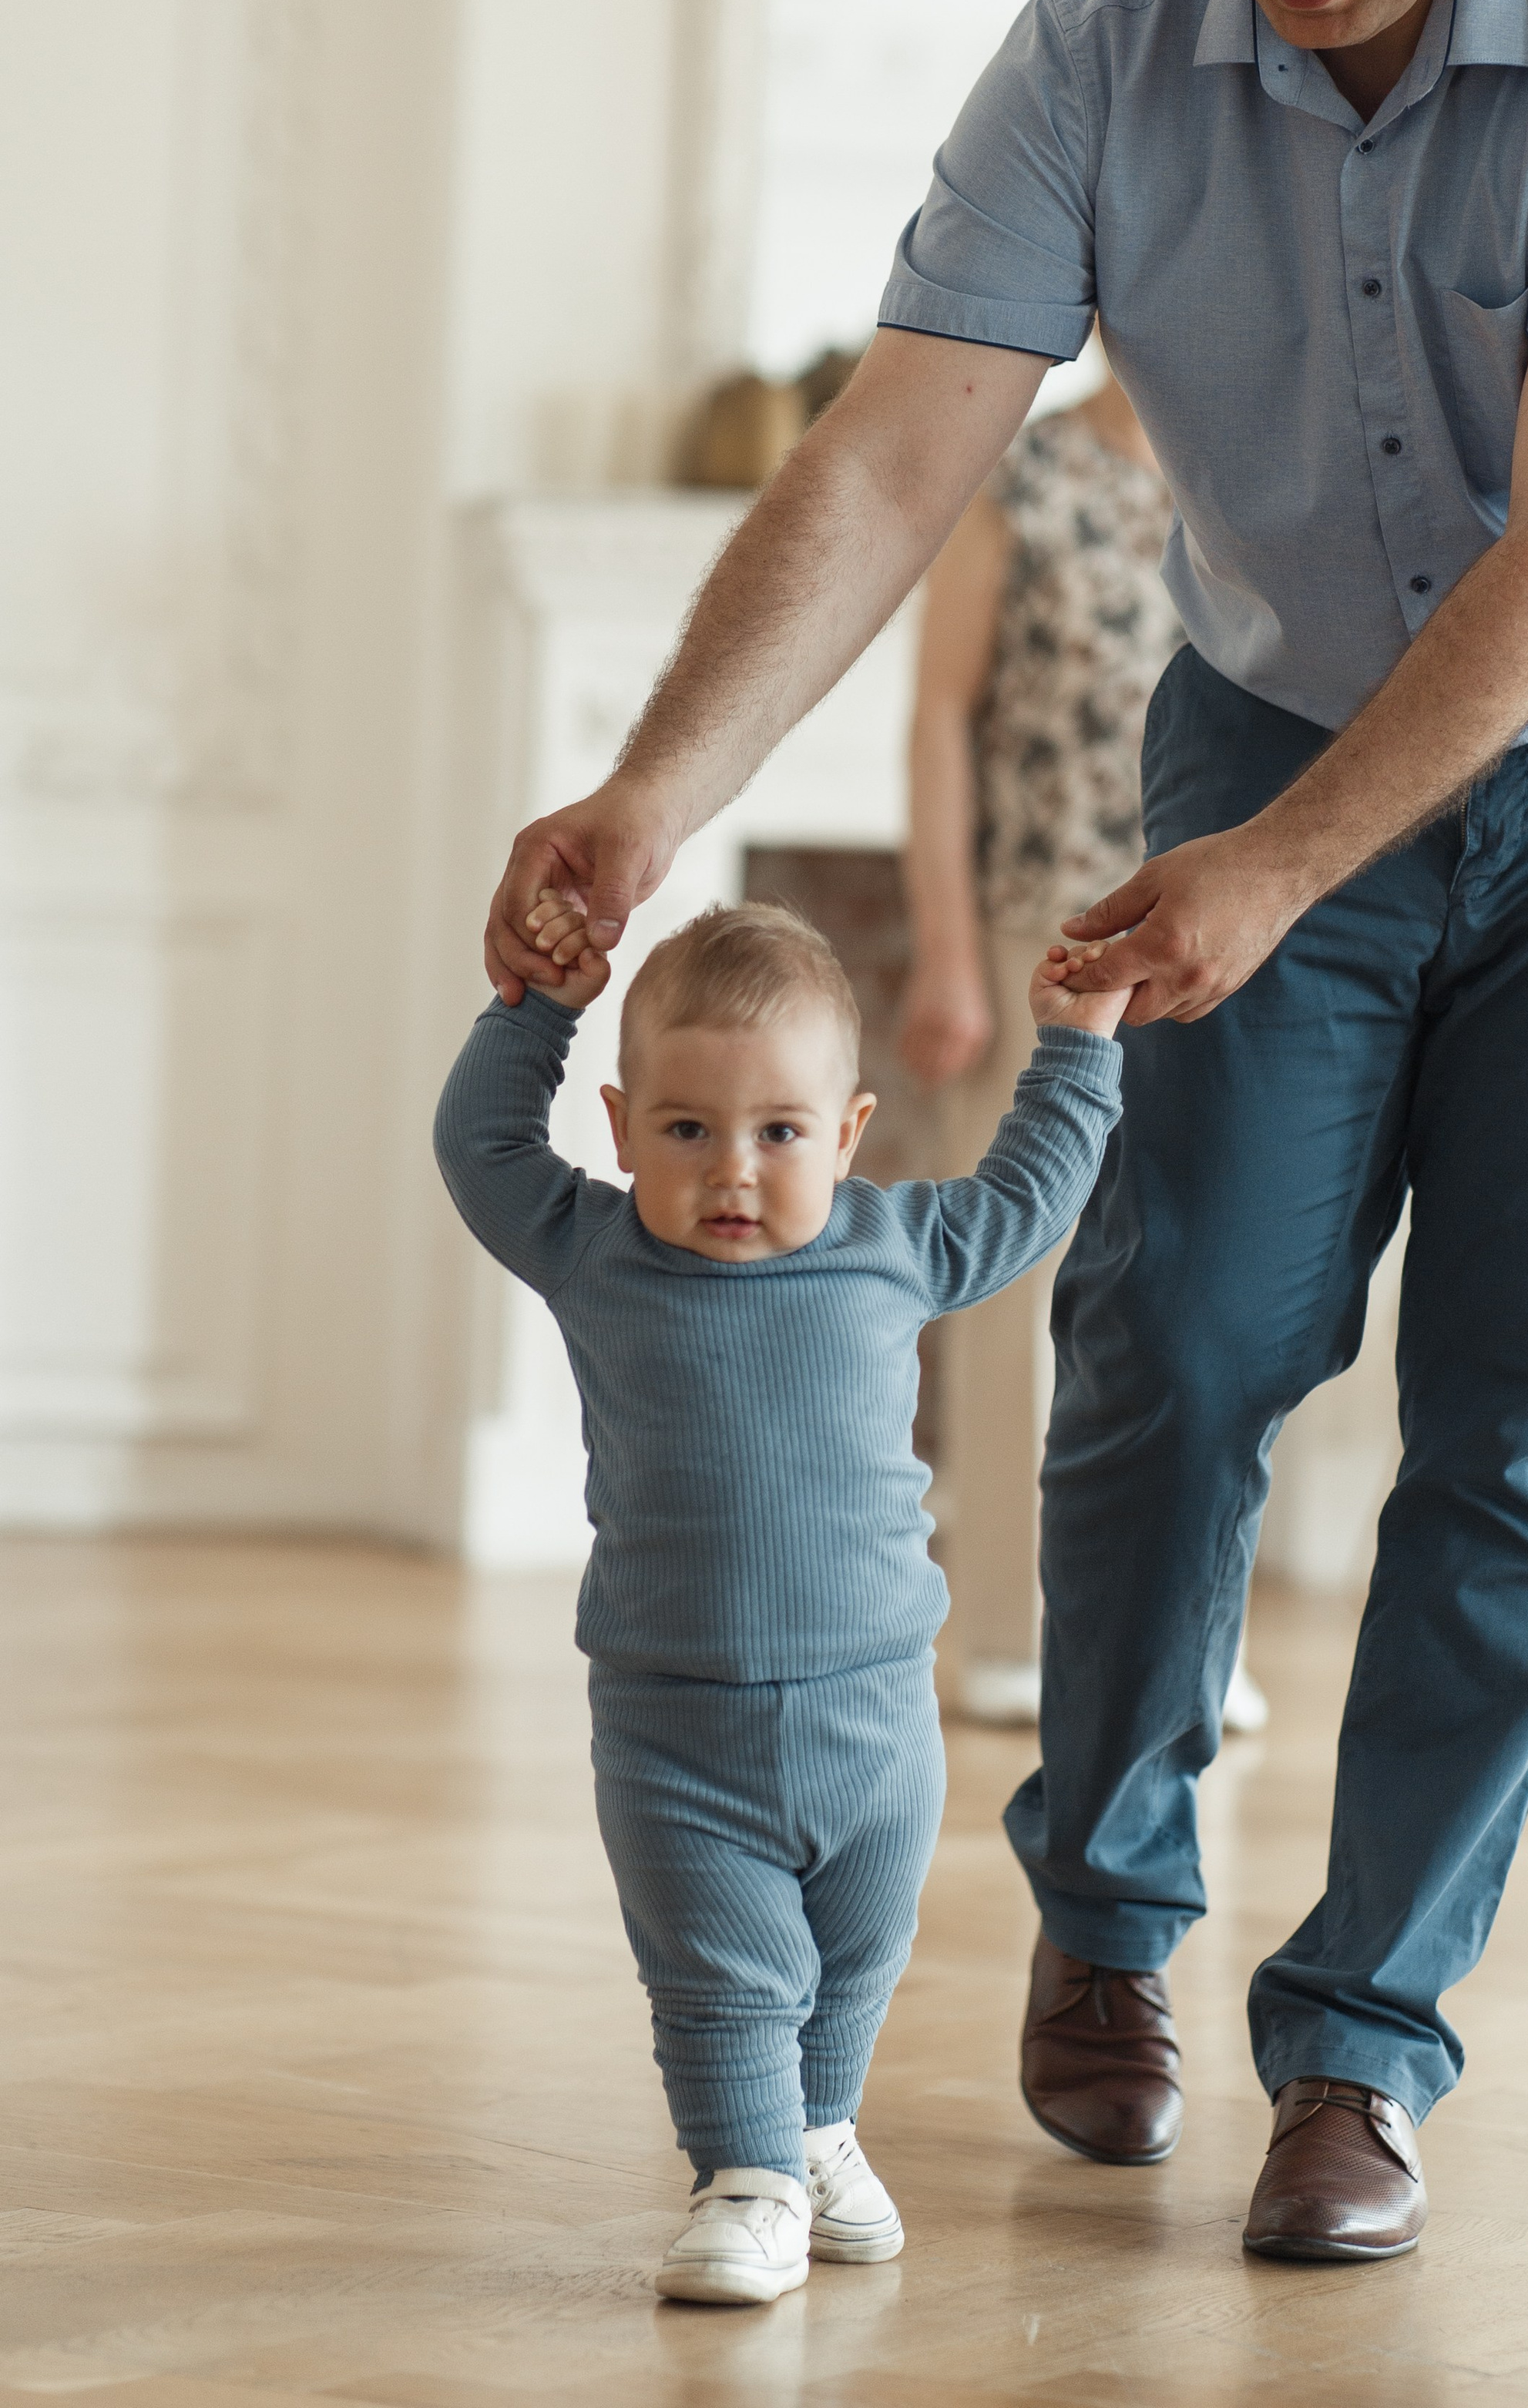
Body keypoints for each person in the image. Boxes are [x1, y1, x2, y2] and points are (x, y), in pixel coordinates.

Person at [482, 0, 1528, 2265]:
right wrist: (645, 794)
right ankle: (1107, 1915)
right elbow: (892, 460)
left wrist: (1279, 861)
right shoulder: (1104, 40)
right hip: (1266, 721)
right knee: (1171, 1336)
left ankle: (1364, 2052)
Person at [434, 898, 1132, 2304]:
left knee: (860, 1954)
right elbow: (481, 1148)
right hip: (676, 1721)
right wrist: (537, 1013)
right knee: (724, 1972)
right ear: (624, 1132)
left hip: (880, 1716)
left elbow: (1034, 1190)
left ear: (851, 1132)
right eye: (686, 1131)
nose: (734, 1170)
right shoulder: (597, 1250)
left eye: (779, 1133)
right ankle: (743, 2175)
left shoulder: (895, 1246)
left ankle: (815, 2133)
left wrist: (1077, 1045)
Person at [901, 347, 1268, 1731]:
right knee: (1019, 1283)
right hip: (1041, 933)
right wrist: (946, 949)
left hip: (1225, 943)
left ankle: (1190, 1635)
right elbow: (941, 717)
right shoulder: (1025, 476)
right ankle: (1000, 1624)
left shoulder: (1268, 482)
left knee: (1215, 1280)